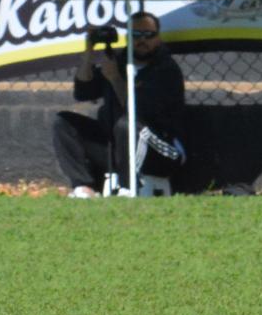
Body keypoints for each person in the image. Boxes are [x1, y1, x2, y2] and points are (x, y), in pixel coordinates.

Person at [51, 13, 186, 197]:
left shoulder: (166, 69)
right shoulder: (119, 61)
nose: (142, 40)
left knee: (126, 125)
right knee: (64, 122)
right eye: (136, 35)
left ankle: (128, 188)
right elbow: (83, 93)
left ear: (158, 38)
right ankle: (84, 187)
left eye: (149, 35)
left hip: (161, 152)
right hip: (117, 147)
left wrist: (115, 78)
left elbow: (140, 112)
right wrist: (89, 54)